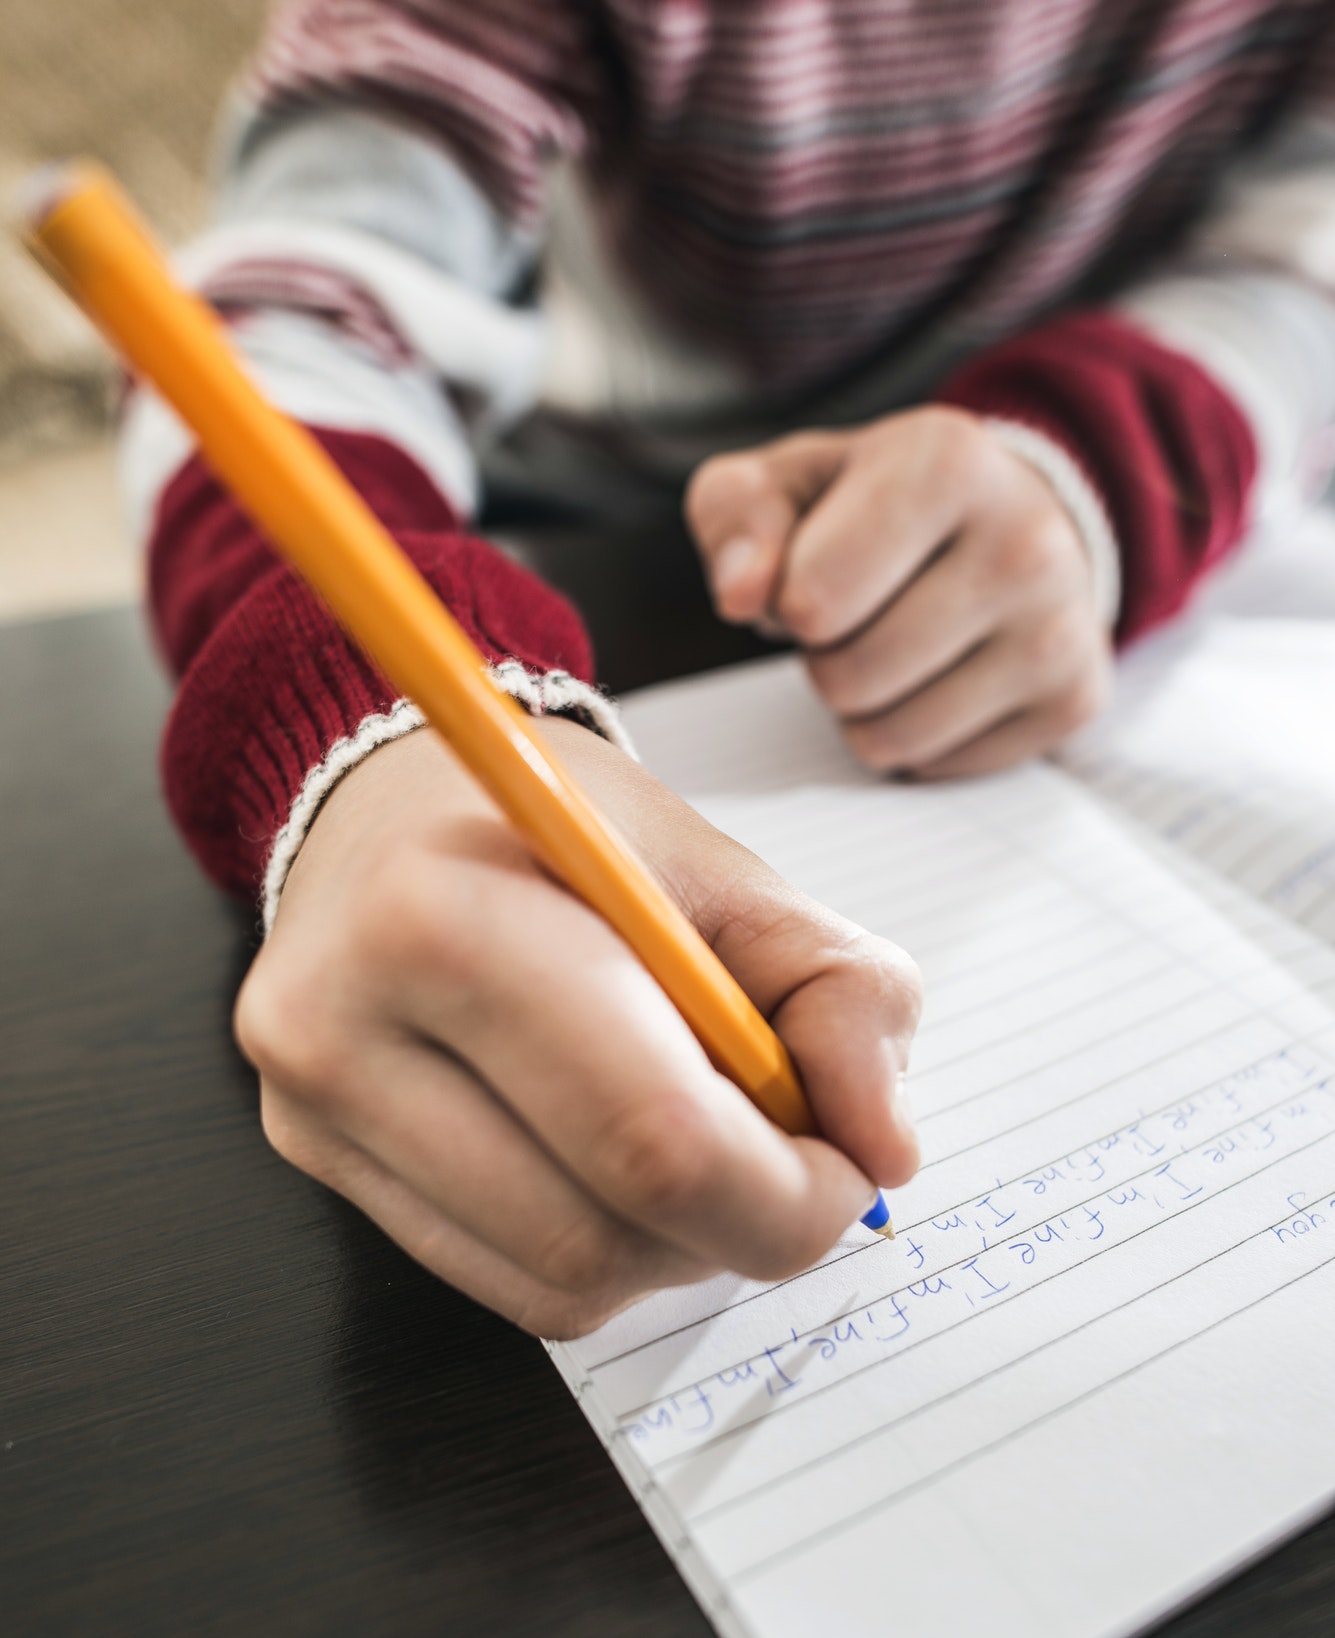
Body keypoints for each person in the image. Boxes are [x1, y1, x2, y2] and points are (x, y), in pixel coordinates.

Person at [124, 0, 1335, 1336]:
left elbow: (1307, 248)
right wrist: (371, 721)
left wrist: (1101, 464)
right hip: (540, 540)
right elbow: (287, 322)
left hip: (1089, 524)